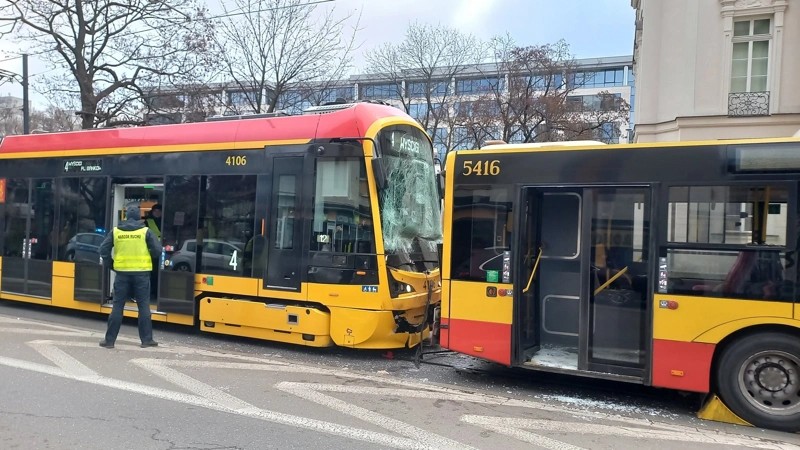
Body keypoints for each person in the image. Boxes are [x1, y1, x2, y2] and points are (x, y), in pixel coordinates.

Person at [98, 205, 160, 349]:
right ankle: (146, 340)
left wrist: (111, 265)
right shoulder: (146, 232)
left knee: (117, 307)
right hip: (142, 275)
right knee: (143, 307)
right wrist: (148, 257)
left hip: (122, 275)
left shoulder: (116, 232)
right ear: (139, 217)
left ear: (126, 217)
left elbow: (103, 250)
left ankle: (109, 341)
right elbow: (157, 251)